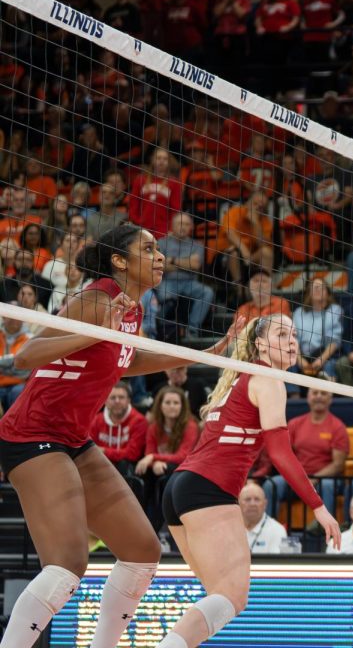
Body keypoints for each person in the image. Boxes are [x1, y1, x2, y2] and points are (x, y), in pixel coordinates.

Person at [0, 225, 233, 648]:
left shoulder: (132, 309)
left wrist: (204, 354)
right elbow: (26, 357)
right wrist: (98, 330)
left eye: (161, 249)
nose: (160, 256)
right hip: (32, 433)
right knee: (68, 565)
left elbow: (123, 359)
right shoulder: (96, 298)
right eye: (148, 249)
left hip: (72, 438)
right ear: (120, 261)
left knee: (143, 553)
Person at [157, 315, 340, 648]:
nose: (292, 340)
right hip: (207, 490)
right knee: (231, 597)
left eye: (295, 334)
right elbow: (281, 454)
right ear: (259, 344)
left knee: (218, 598)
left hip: (182, 489)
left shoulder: (240, 378)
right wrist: (319, 507)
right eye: (282, 334)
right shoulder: (267, 380)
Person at [266, 387, 347, 518]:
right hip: (296, 476)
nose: (319, 396)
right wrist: (298, 477)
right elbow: (284, 454)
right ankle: (267, 527)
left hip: (325, 479)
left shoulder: (338, 427)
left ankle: (326, 531)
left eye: (324, 393)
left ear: (330, 399)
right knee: (272, 484)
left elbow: (338, 464)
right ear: (308, 398)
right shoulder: (294, 424)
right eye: (315, 393)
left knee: (327, 485)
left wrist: (314, 478)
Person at [135, 386, 198, 526]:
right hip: (160, 467)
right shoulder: (154, 428)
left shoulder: (190, 426)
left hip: (184, 469)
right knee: (142, 473)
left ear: (182, 406)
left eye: (176, 403)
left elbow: (183, 456)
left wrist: (154, 458)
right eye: (168, 403)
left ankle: (163, 524)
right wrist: (155, 461)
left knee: (169, 470)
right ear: (160, 406)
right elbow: (148, 455)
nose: (172, 406)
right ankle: (140, 521)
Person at [156, 214, 214, 341]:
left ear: (191, 227)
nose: (183, 227)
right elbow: (159, 265)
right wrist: (186, 263)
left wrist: (171, 260)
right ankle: (160, 330)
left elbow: (196, 265)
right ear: (172, 225)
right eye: (180, 223)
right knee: (165, 297)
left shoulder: (198, 245)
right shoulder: (161, 242)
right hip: (167, 281)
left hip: (190, 283)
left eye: (187, 224)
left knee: (207, 292)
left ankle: (192, 330)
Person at [89, 380, 147, 476]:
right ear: (105, 401)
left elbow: (132, 454)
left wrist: (103, 451)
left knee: (124, 463)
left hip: (125, 469)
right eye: (112, 397)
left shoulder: (139, 420)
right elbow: (90, 450)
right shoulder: (96, 420)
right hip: (100, 466)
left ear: (128, 400)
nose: (117, 401)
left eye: (121, 397)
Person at [239, 481, 288, 554]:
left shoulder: (277, 530)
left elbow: (276, 563)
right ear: (238, 503)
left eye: (257, 499)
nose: (252, 504)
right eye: (247, 499)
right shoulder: (228, 528)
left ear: (265, 504)